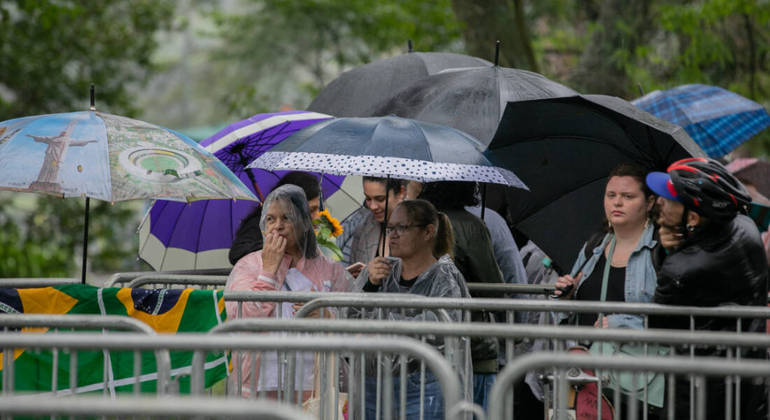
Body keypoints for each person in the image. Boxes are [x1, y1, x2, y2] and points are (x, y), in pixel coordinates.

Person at [646, 157, 768, 419]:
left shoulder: (682, 268)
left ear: (692, 216)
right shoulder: (744, 226)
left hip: (700, 391)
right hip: (747, 381)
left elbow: (657, 327)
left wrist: (667, 253)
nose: (659, 202)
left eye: (669, 198)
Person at [225, 185, 350, 399]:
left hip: (312, 385)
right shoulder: (248, 265)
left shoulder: (327, 268)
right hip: (259, 384)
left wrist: (326, 316)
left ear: (303, 223)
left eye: (286, 218)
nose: (278, 227)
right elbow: (244, 317)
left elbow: (353, 321)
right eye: (271, 219)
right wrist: (268, 271)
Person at [354, 199, 469, 419]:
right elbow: (351, 316)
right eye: (390, 228)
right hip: (375, 383)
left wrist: (381, 329)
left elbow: (440, 327)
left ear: (428, 232)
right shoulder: (382, 271)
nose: (393, 235)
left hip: (424, 386)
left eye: (402, 228)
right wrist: (370, 284)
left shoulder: (445, 276)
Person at [418, 181, 504, 411]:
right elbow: (494, 287)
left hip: (425, 350)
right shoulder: (471, 226)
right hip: (473, 348)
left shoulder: (417, 226)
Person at [228, 171, 322, 265]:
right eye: (311, 210)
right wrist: (277, 243)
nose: (318, 217)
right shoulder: (259, 222)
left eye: (318, 209)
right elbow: (236, 253)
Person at [345, 176, 406, 275]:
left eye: (380, 199)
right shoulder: (363, 227)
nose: (372, 206)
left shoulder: (417, 231)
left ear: (401, 192)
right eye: (368, 198)